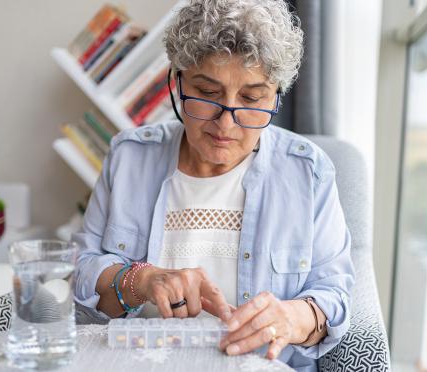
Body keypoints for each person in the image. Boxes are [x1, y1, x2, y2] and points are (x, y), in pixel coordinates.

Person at [72, 0, 355, 370]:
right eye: (207, 93)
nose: (226, 124)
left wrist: (291, 318)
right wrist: (141, 279)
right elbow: (79, 271)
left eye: (252, 99)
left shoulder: (308, 172)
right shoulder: (130, 158)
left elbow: (334, 295)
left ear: (276, 95)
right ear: (178, 82)